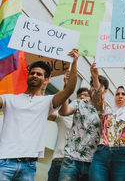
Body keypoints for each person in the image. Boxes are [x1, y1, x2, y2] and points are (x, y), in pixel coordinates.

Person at [0, 48, 79, 181]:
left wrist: (75, 62)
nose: (35, 75)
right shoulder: (10, 99)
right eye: (32, 73)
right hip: (4, 162)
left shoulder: (47, 102)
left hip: (29, 166)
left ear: (46, 79)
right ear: (28, 76)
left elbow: (69, 89)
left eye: (39, 74)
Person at [89, 62, 125, 181]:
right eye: (117, 94)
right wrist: (95, 77)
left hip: (122, 156)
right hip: (101, 153)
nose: (120, 96)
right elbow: (97, 99)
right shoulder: (107, 111)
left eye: (123, 94)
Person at [57, 87, 101, 181]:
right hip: (71, 159)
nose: (82, 97)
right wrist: (66, 89)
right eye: (79, 95)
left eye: (85, 95)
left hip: (91, 162)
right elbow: (63, 112)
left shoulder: (100, 110)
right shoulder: (77, 104)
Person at [47, 71, 73, 181]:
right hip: (58, 161)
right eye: (80, 96)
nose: (82, 99)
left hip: (76, 164)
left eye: (85, 96)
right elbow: (49, 114)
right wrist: (66, 85)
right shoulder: (65, 116)